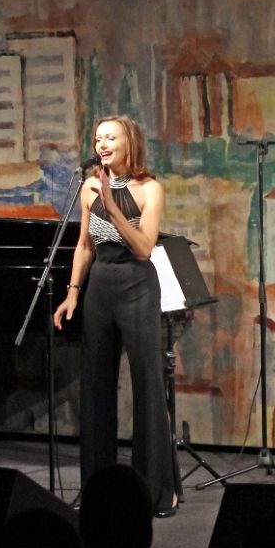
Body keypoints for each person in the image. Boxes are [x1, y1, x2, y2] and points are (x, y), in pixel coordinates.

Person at [53, 116, 180, 518]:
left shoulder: (149, 188)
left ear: (129, 143)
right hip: (101, 288)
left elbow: (144, 248)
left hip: (137, 287)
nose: (103, 144)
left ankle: (158, 491)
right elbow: (85, 246)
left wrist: (113, 207)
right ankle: (97, 488)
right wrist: (73, 292)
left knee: (147, 385)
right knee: (96, 388)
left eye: (111, 137)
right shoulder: (89, 186)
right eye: (98, 138)